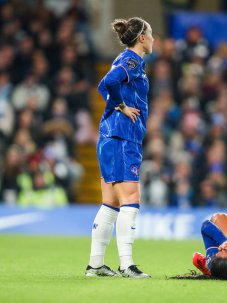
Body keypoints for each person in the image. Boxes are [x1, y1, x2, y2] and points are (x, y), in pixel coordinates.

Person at [85, 17, 154, 278]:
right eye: (151, 34)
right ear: (142, 38)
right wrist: (122, 106)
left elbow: (107, 84)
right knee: (131, 199)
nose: (154, 38)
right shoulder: (132, 61)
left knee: (111, 202)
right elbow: (108, 82)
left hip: (111, 137)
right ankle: (127, 264)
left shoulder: (125, 59)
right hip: (122, 138)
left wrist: (117, 104)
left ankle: (95, 265)